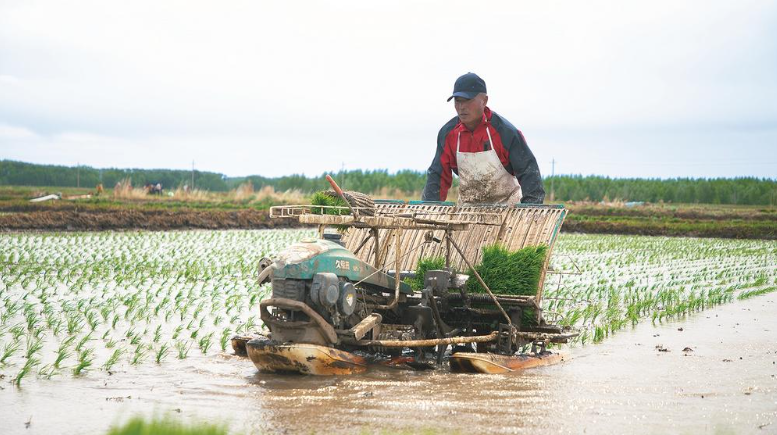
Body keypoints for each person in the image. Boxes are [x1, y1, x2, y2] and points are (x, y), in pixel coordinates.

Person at [421, 73, 545, 205]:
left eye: (467, 100)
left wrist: (531, 210)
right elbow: (437, 177)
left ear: (484, 100)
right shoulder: (448, 134)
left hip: (508, 210)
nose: (461, 107)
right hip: (468, 212)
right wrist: (429, 211)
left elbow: (529, 173)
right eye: (457, 100)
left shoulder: (506, 133)